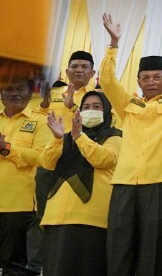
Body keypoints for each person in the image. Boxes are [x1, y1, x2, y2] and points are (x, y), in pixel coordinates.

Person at [100, 13, 162, 276]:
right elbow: (107, 81)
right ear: (139, 82)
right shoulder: (128, 104)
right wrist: (113, 45)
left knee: (152, 248)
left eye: (157, 77)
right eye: (146, 77)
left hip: (160, 184)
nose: (151, 81)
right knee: (119, 244)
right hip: (125, 183)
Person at [29, 50, 98, 273]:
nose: (79, 70)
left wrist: (74, 107)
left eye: (84, 67)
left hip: (80, 163)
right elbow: (35, 119)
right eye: (74, 66)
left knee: (73, 217)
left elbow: (98, 125)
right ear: (67, 71)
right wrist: (43, 105)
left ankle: (66, 263)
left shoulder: (97, 98)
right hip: (51, 160)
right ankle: (36, 265)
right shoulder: (52, 93)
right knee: (41, 215)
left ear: (92, 73)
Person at [39, 91, 121, 276]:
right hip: (56, 218)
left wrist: (79, 138)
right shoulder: (66, 136)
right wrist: (57, 138)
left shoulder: (115, 136)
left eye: (96, 107)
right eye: (86, 107)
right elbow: (46, 162)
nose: (91, 110)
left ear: (106, 111)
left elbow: (103, 159)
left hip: (92, 220)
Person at [0, 77, 49, 276]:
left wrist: (6, 149)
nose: (14, 93)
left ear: (31, 93)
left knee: (14, 266)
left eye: (20, 89)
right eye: (8, 89)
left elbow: (42, 157)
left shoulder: (41, 121)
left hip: (18, 206)